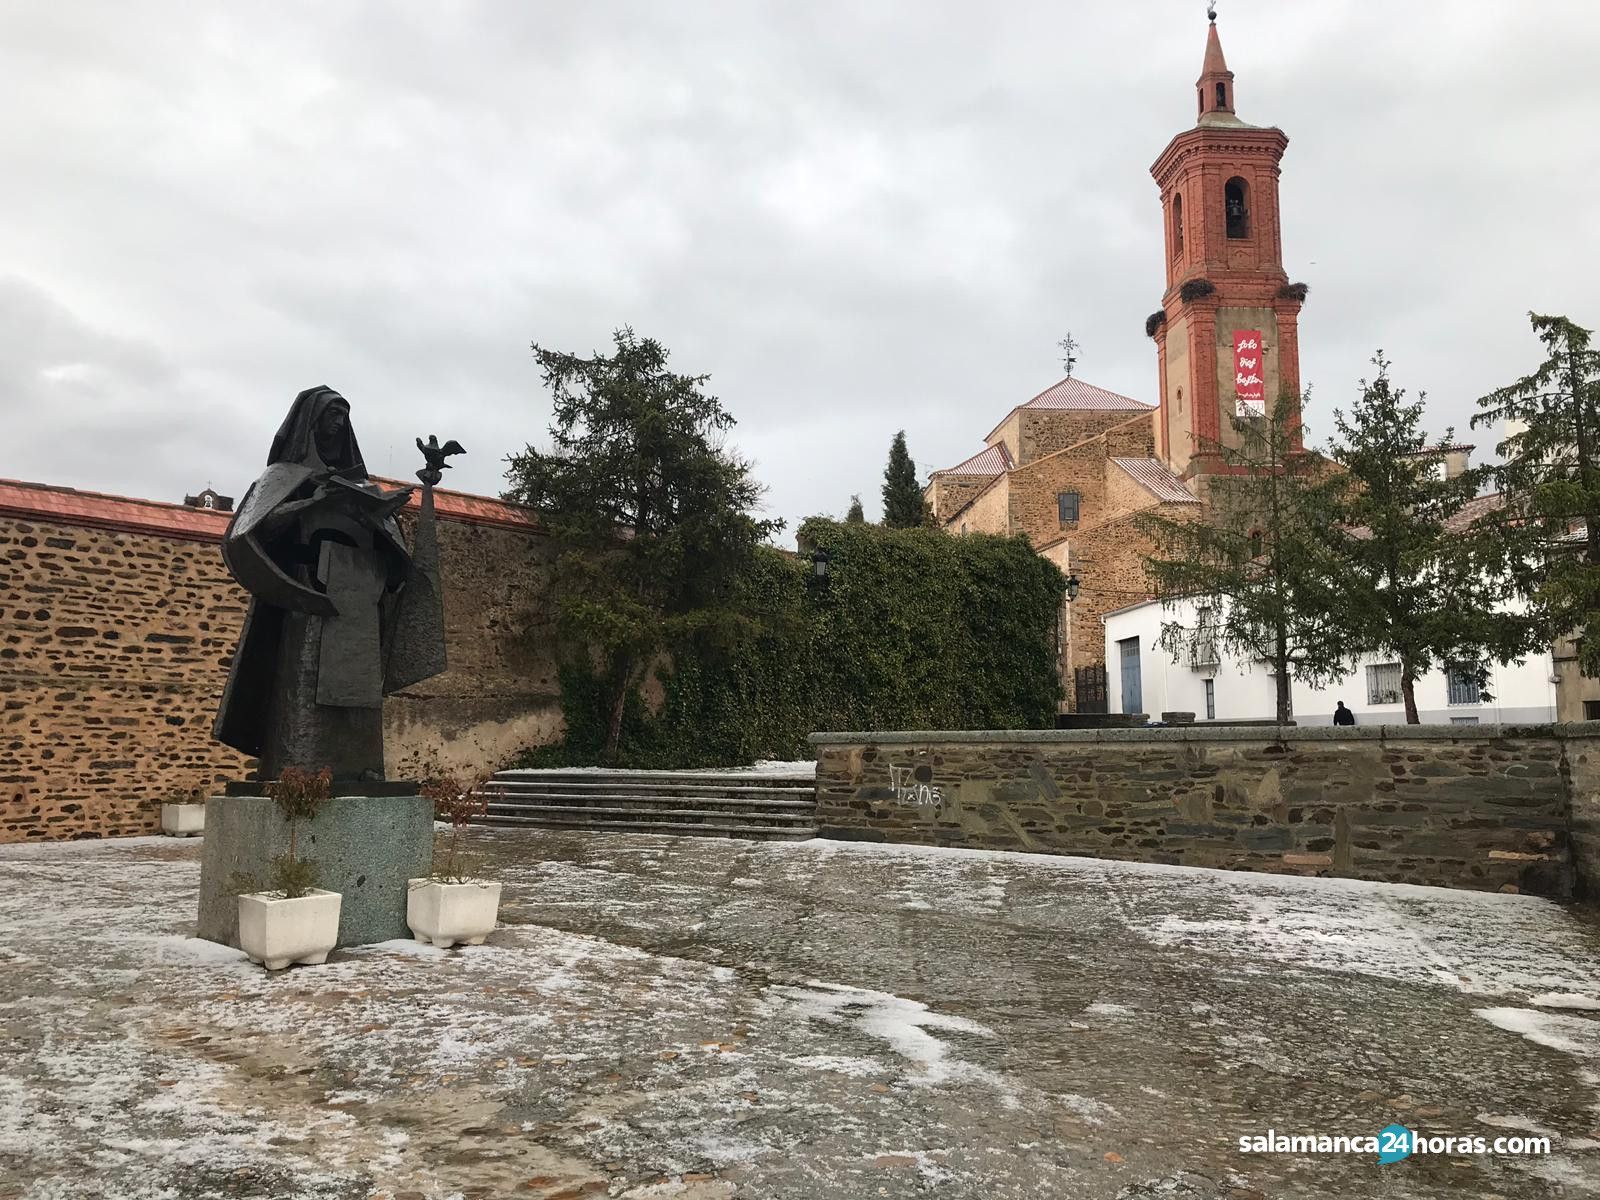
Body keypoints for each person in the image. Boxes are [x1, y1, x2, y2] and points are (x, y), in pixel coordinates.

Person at [213, 386, 446, 781]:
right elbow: (247, 533)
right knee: (304, 690)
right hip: (310, 600)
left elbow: (392, 558)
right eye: (330, 415)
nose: (338, 424)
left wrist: (404, 500)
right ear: (310, 422)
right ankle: (298, 771)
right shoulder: (283, 477)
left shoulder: (361, 486)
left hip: (358, 599)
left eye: (343, 417)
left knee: (358, 696)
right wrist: (314, 501)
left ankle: (360, 767)